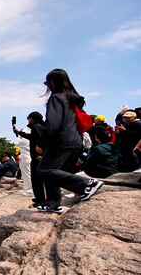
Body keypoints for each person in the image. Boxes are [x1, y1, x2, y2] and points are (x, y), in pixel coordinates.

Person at [38, 69, 104, 213]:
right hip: (75, 141)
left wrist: (42, 136)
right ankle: (53, 204)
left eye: (47, 83)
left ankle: (87, 184)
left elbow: (53, 125)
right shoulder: (72, 98)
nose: (47, 86)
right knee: (54, 171)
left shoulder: (56, 98)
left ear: (54, 82)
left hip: (62, 141)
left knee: (44, 170)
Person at [14, 111, 46, 206]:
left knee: (37, 179)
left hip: (38, 158)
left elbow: (43, 140)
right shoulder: (38, 127)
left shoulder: (37, 127)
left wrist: (41, 151)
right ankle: (39, 198)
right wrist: (20, 132)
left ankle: (41, 200)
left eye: (29, 118)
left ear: (33, 118)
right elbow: (32, 137)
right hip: (36, 157)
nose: (28, 120)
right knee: (36, 179)